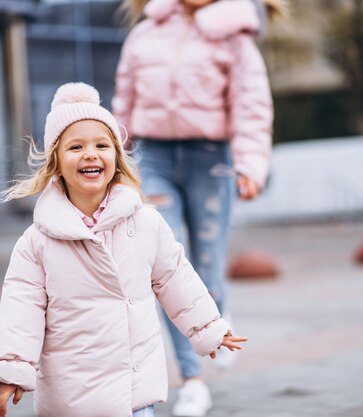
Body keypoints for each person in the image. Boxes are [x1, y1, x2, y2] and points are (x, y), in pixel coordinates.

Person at [0, 82, 247, 417]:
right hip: (71, 396)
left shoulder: (146, 223)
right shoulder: (37, 242)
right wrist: (12, 370)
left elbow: (175, 278)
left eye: (102, 145)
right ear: (56, 162)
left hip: (134, 392)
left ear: (116, 158)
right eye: (75, 147)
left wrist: (208, 327)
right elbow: (21, 308)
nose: (91, 154)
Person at [113, 0, 286, 415]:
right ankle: (193, 380)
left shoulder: (235, 37)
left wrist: (250, 166)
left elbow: (252, 105)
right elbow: (123, 103)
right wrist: (114, 159)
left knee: (206, 271)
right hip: (152, 159)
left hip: (212, 160)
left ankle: (217, 309)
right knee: (166, 267)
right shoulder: (144, 32)